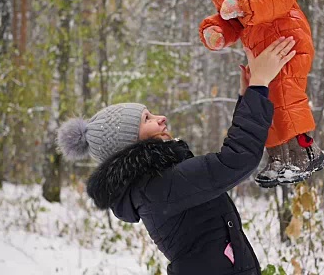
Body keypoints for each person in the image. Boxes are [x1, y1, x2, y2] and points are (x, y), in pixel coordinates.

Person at [57, 37, 296, 275]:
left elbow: (226, 164)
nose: (160, 118)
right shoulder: (156, 188)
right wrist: (259, 85)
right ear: (129, 144)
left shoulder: (155, 181)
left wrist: (247, 98)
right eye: (146, 120)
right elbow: (235, 161)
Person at [199, 0, 324, 187]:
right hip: (262, 52)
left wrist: (243, 3)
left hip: (286, 42)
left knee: (283, 96)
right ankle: (279, 158)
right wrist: (218, 30)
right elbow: (232, 20)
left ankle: (305, 152)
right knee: (264, 103)